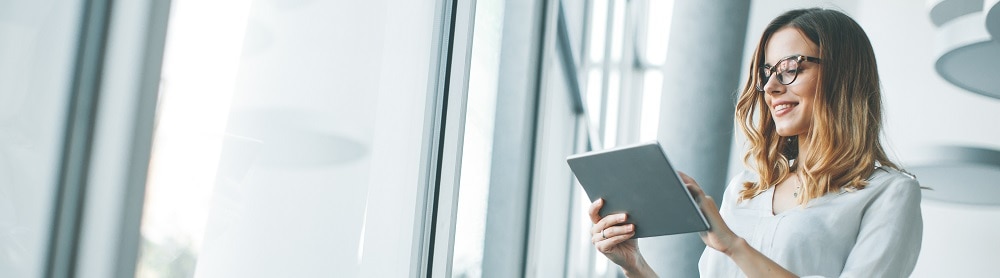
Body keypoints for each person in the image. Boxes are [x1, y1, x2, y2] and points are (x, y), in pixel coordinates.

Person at [588, 8, 923, 277]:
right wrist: (635, 265)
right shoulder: (747, 188)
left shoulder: (889, 193)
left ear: (841, 75)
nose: (771, 87)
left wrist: (734, 246)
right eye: (767, 72)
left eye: (791, 68)